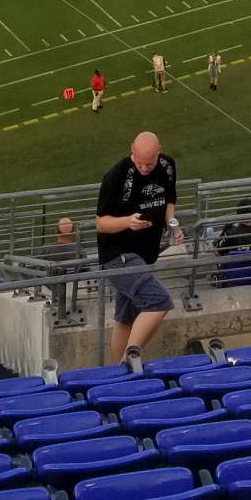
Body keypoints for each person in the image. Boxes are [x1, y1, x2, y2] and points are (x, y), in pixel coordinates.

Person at [95, 130, 182, 359]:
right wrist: (128, 222)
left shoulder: (168, 166)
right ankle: (129, 363)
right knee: (159, 301)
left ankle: (118, 374)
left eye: (149, 163)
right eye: (140, 163)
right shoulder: (116, 175)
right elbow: (101, 223)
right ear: (131, 150)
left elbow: (169, 199)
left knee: (126, 318)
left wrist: (172, 226)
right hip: (118, 255)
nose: (144, 168)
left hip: (145, 254)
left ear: (159, 152)